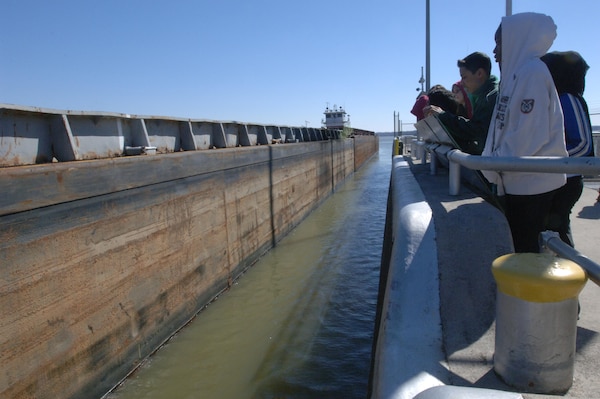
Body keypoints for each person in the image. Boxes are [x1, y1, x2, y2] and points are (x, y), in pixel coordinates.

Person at [481, 12, 568, 253]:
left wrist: (492, 163)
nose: (495, 50)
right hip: (517, 183)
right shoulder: (516, 76)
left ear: (517, 39)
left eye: (499, 42)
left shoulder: (532, 73)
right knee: (522, 254)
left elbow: (528, 135)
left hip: (533, 189)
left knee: (530, 255)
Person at [541, 51, 595, 247]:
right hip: (556, 178)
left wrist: (544, 160)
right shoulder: (555, 99)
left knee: (558, 231)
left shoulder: (568, 99)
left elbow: (582, 144)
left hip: (566, 182)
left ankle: (572, 269)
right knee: (553, 230)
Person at [423, 52, 499, 155]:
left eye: (464, 77)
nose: (462, 83)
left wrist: (442, 115)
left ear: (479, 74)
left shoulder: (491, 98)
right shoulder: (482, 96)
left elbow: (474, 131)